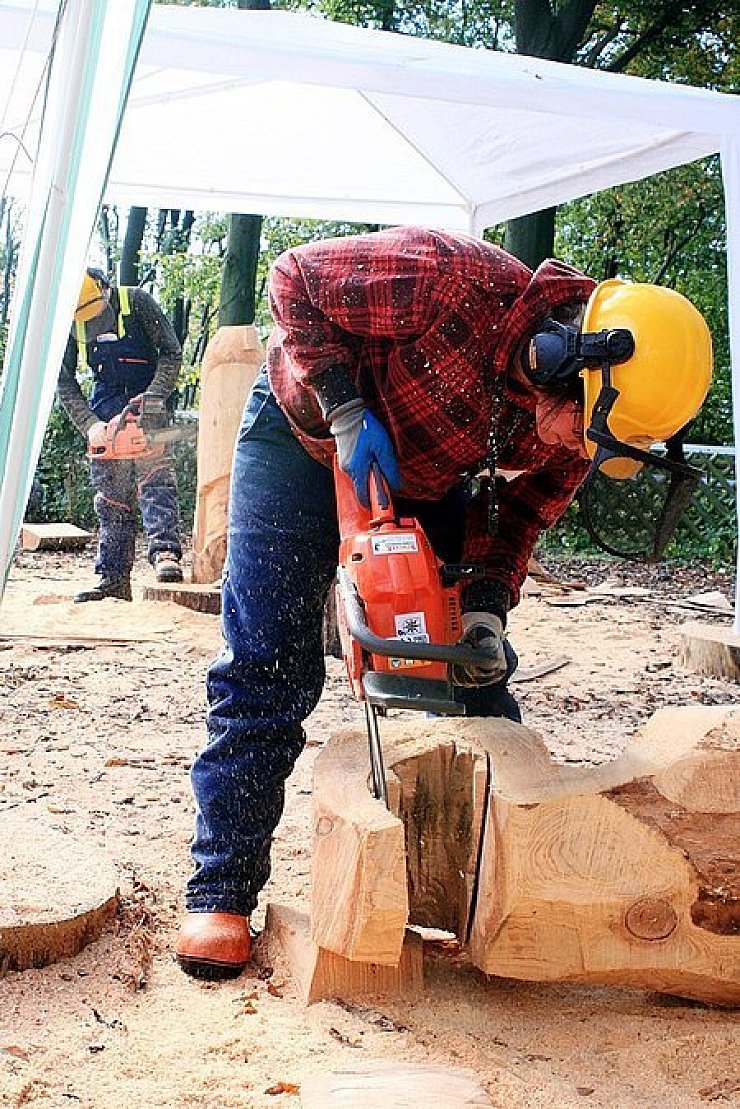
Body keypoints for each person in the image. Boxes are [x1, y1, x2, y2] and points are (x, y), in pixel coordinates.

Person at [175, 226, 712, 979]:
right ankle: (221, 888)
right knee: (269, 657)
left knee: (464, 671)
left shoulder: (586, 429)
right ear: (563, 362)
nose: (581, 451)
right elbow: (294, 277)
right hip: (300, 432)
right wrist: (344, 406)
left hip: (430, 472)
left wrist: (486, 607)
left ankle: (509, 889)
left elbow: (520, 519)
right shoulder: (450, 279)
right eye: (583, 430)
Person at [57, 268, 185, 602]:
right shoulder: (69, 320)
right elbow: (62, 379)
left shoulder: (137, 303)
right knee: (111, 497)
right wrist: (90, 424)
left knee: (155, 478)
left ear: (105, 289)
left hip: (147, 398)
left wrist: (153, 398)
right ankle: (112, 578)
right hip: (104, 405)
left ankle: (165, 553)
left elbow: (171, 353)